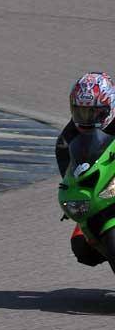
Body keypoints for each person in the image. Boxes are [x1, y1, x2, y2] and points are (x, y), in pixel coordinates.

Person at [55, 72, 115, 266]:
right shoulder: (67, 138)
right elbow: (69, 173)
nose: (87, 119)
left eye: (95, 113)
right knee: (81, 246)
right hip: (103, 192)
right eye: (81, 112)